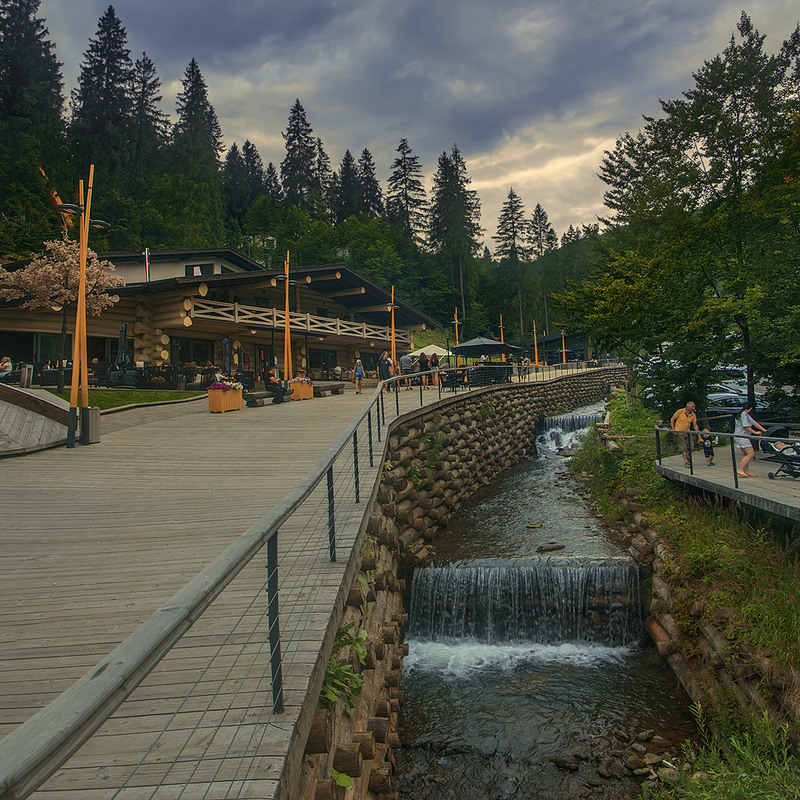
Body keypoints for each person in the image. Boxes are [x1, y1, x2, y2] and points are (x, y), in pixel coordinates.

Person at [733, 403, 767, 477]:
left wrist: (764, 430)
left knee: (745, 454)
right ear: (750, 408)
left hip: (740, 436)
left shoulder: (745, 414)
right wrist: (756, 432)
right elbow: (746, 426)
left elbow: (754, 423)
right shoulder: (743, 415)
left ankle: (746, 471)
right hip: (742, 436)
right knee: (751, 454)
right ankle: (740, 470)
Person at [670, 401, 700, 468]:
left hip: (688, 432)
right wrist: (673, 429)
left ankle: (688, 458)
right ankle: (686, 461)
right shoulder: (680, 411)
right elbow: (672, 419)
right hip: (679, 431)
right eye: (693, 407)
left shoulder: (693, 414)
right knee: (683, 447)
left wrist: (699, 435)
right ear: (688, 407)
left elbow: (695, 424)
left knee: (691, 447)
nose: (694, 408)